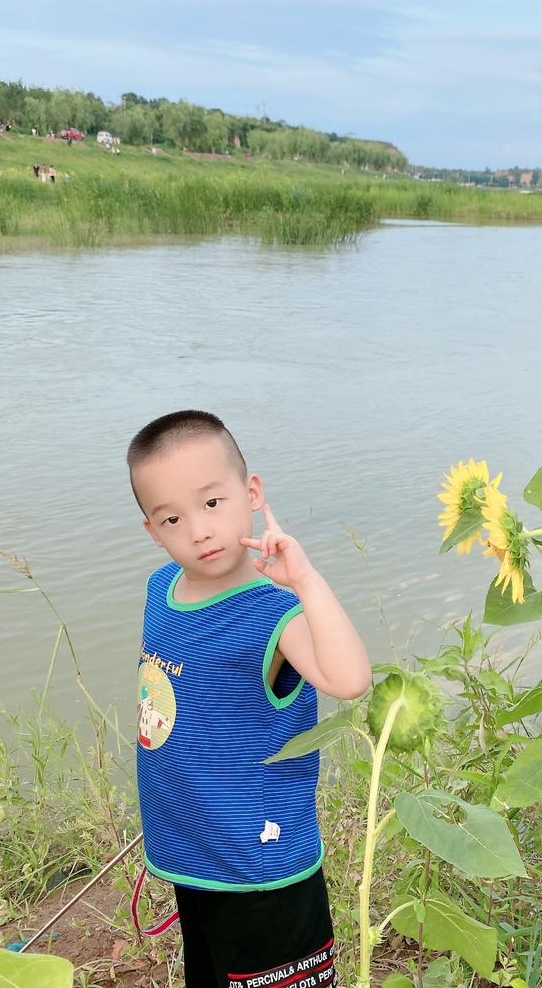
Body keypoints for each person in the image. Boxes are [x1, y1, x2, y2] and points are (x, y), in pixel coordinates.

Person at [126, 410, 370, 988]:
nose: (199, 530)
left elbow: (349, 678)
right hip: (191, 850)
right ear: (153, 531)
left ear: (251, 493)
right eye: (172, 517)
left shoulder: (273, 612)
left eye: (212, 503)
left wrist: (306, 583)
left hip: (262, 870)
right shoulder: (161, 589)